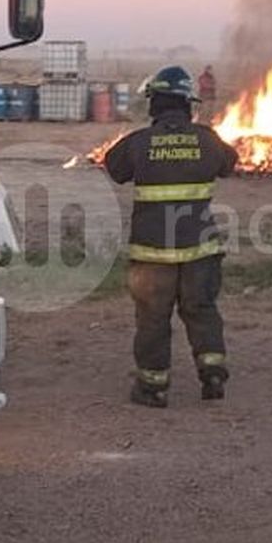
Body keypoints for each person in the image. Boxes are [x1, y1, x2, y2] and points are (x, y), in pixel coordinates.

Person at [102, 66, 239, 408]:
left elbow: (114, 168)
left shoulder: (139, 143)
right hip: (200, 251)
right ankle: (212, 374)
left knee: (152, 319)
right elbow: (229, 164)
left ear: (155, 104)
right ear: (187, 103)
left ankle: (153, 387)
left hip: (152, 255)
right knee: (202, 310)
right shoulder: (208, 139)